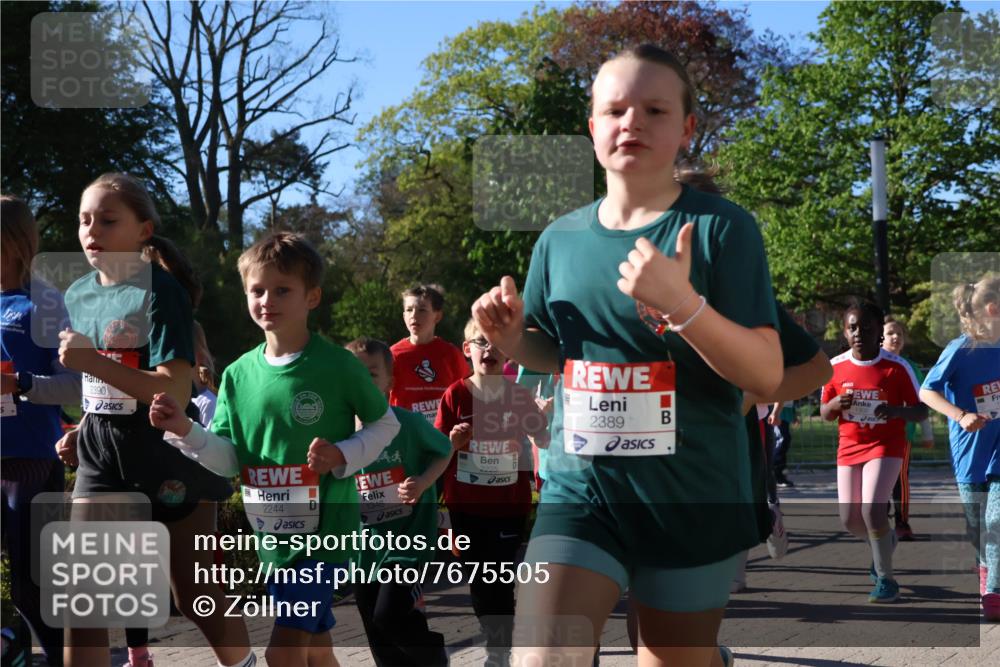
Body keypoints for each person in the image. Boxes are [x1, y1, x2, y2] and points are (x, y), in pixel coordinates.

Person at [472, 44, 783, 666]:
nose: (632, 122)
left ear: (687, 128)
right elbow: (555, 352)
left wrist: (683, 305)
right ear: (592, 127)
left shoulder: (722, 228)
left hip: (689, 492)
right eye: (615, 110)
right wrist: (510, 340)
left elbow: (766, 373)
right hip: (580, 488)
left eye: (654, 110)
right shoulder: (559, 239)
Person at [150, 231, 400, 666]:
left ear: (312, 296)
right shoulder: (237, 375)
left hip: (325, 539)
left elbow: (385, 424)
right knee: (317, 650)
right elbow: (230, 459)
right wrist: (186, 430)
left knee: (282, 653)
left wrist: (343, 454)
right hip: (272, 541)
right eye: (257, 290)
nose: (268, 300)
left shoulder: (338, 365)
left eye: (283, 290)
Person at [57, 173, 252, 667]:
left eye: (107, 220)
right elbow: (103, 381)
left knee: (193, 595)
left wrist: (91, 362)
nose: (91, 230)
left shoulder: (162, 292)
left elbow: (174, 389)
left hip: (166, 451)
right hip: (102, 455)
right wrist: (84, 427)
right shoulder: (78, 293)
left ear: (143, 230)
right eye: (84, 220)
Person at [435, 318, 549, 666]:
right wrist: (452, 443)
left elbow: (542, 438)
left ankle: (499, 651)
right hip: (465, 507)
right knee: (480, 581)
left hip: (508, 507)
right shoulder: (455, 395)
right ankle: (498, 640)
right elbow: (438, 451)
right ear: (466, 350)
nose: (490, 349)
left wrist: (544, 418)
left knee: (498, 578)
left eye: (497, 343)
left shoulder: (518, 395)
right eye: (481, 342)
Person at [1, 194, 79, 667]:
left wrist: (23, 384)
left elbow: (76, 384)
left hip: (31, 460)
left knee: (34, 585)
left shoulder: (44, 300)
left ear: (13, 240)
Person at [345, 336, 452, 666]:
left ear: (389, 382)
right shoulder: (338, 434)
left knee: (389, 616)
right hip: (362, 549)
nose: (363, 382)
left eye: (372, 374)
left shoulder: (409, 424)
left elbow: (444, 450)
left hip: (407, 544)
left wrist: (423, 482)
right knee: (379, 637)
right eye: (355, 375)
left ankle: (435, 658)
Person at [820, 301, 927, 604]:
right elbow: (825, 413)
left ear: (879, 330)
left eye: (866, 327)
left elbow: (921, 410)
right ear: (845, 331)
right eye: (852, 327)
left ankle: (886, 578)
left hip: (886, 446)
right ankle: (886, 540)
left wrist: (895, 411)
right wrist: (834, 405)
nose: (859, 333)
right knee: (850, 520)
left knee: (872, 510)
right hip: (849, 446)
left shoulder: (897, 367)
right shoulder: (834, 366)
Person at [919, 275, 1000, 622]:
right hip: (970, 454)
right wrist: (961, 415)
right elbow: (927, 391)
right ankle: (984, 566)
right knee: (978, 526)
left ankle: (994, 591)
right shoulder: (960, 349)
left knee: (996, 519)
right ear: (993, 308)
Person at [882, 316, 934, 541]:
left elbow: (923, 401)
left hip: (903, 435)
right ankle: (878, 519)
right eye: (890, 333)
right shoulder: (874, 364)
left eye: (899, 333)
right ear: (879, 337)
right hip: (875, 435)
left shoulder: (911, 367)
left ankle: (902, 522)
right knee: (877, 480)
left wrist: (927, 432)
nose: (895, 337)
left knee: (900, 477)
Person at [390, 285, 469, 423]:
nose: (414, 315)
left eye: (422, 310)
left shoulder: (451, 354)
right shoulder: (392, 355)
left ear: (437, 316)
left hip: (442, 432)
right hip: (405, 432)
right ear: (404, 316)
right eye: (409, 310)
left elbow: (466, 395)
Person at [769, 400, 797, 488]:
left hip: (785, 408)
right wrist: (775, 412)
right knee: (782, 440)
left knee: (784, 441)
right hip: (777, 409)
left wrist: (793, 413)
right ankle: (776, 475)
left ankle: (779, 474)